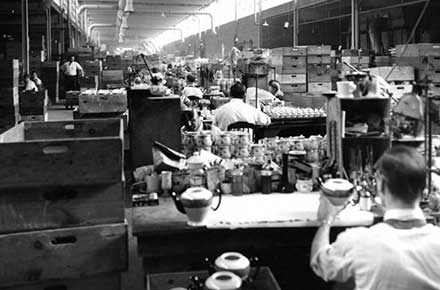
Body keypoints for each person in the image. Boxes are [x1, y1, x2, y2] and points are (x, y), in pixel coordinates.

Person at [311, 146, 440, 290]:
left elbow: (320, 263)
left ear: (381, 186)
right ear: (424, 190)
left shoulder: (358, 242)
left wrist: (326, 221)